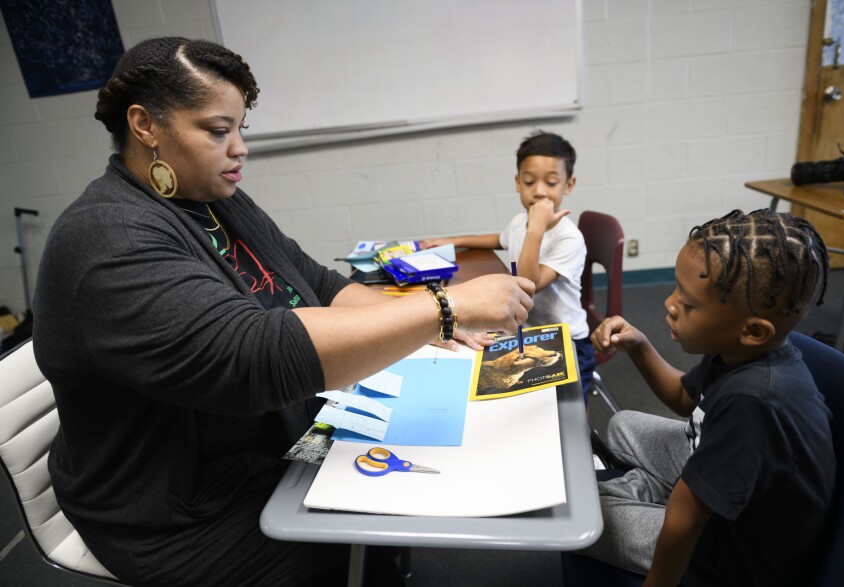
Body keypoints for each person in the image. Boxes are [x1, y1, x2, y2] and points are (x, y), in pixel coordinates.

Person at [31, 37, 534, 587]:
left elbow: (315, 283)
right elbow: (252, 358)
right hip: (173, 513)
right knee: (379, 527)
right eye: (219, 131)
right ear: (146, 125)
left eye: (240, 128)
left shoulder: (213, 199)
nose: (240, 147)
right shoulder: (106, 237)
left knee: (405, 488)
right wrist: (442, 307)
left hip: (254, 449)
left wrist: (439, 324)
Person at [580, 209, 836, 586]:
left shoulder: (754, 403)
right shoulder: (737, 350)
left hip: (730, 552)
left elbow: (685, 518)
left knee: (582, 516)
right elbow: (686, 398)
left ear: (752, 331)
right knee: (623, 425)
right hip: (719, 473)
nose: (669, 304)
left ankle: (636, 494)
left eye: (688, 303)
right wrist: (639, 345)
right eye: (676, 290)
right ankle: (643, 492)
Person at [420, 130, 595, 401]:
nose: (538, 191)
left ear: (568, 185)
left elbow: (527, 284)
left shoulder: (568, 238)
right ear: (517, 182)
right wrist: (453, 241)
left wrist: (536, 228)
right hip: (527, 331)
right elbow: (497, 238)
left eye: (551, 182)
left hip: (566, 340)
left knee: (564, 414)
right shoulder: (518, 222)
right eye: (529, 181)